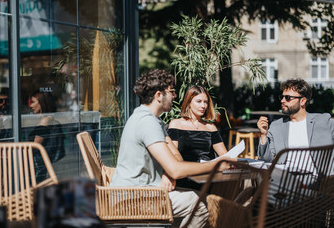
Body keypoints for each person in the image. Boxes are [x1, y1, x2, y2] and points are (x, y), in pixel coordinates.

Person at [110, 69, 233, 228]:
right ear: (158, 95)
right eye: (172, 92)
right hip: (133, 198)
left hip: (144, 192)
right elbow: (176, 168)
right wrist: (217, 164)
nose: (175, 96)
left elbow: (177, 158)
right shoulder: (147, 123)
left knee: (198, 199)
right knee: (201, 205)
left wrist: (171, 170)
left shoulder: (155, 121)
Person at [257, 78, 334, 163]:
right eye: (282, 97)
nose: (282, 101)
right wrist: (264, 135)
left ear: (302, 101)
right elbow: (265, 160)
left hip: (316, 175)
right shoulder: (276, 126)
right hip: (286, 175)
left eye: (288, 98)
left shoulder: (323, 122)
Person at [168, 85, 227, 189]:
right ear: (189, 102)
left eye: (205, 102)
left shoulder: (210, 127)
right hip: (186, 176)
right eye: (199, 101)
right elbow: (172, 156)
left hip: (208, 176)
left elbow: (225, 156)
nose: (203, 106)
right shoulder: (176, 124)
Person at [29, 90, 65, 182]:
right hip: (44, 166)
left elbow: (34, 147)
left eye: (33, 102)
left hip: (38, 168)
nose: (30, 106)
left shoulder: (45, 121)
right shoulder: (50, 120)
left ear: (42, 103)